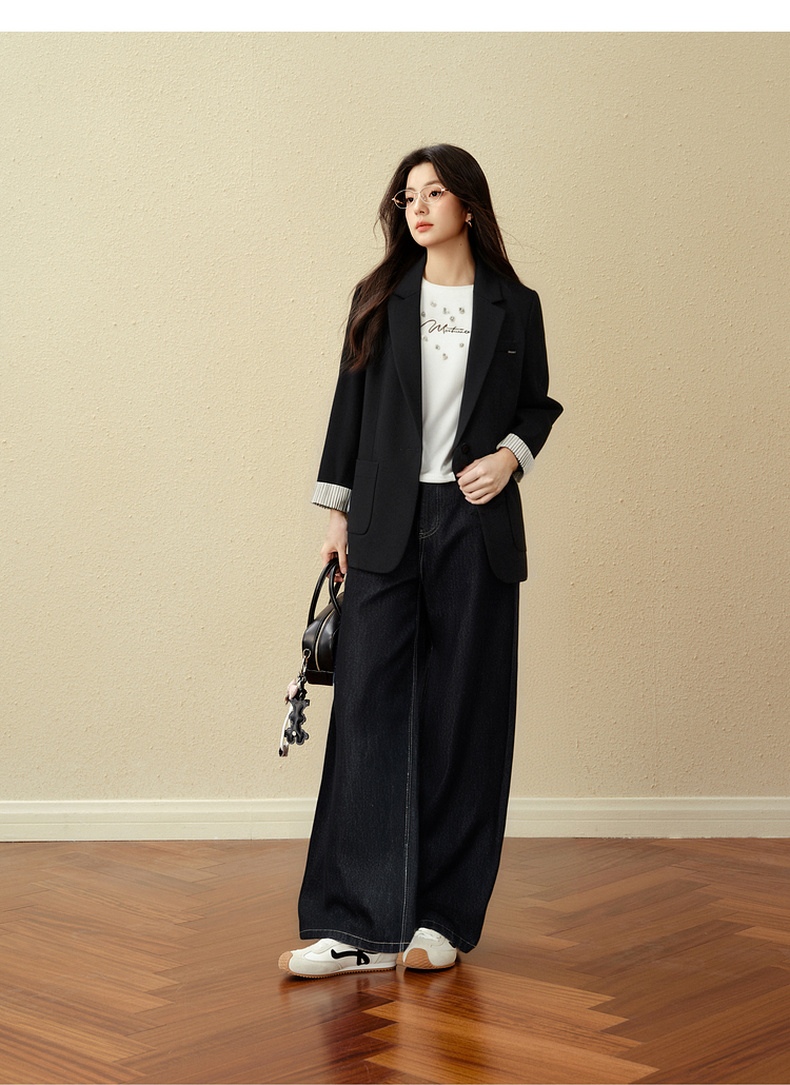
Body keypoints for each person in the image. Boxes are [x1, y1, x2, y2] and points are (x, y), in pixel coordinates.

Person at [279, 144, 562, 979]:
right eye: (409, 196)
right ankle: (355, 926)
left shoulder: (516, 305)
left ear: (468, 205)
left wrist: (509, 457)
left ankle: (442, 918)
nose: (420, 206)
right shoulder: (380, 297)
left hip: (475, 523)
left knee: (464, 715)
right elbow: (350, 405)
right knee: (367, 714)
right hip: (385, 524)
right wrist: (335, 513)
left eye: (435, 193)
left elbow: (539, 405)